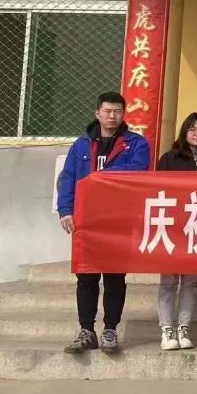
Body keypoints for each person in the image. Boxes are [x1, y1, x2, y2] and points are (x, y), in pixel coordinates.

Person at [58, 92, 151, 355]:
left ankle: (110, 329)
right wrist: (65, 210)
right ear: (97, 113)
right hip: (86, 219)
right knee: (86, 276)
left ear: (123, 114)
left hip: (118, 220)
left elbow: (139, 171)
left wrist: (103, 176)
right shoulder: (81, 145)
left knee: (114, 277)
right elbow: (68, 178)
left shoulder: (136, 143)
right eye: (107, 111)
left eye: (117, 111)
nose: (112, 116)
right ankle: (86, 331)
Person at [155, 112, 197, 351]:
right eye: (192, 129)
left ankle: (184, 327)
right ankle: (166, 329)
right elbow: (156, 191)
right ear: (184, 132)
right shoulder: (169, 158)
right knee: (168, 280)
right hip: (172, 226)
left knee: (191, 281)